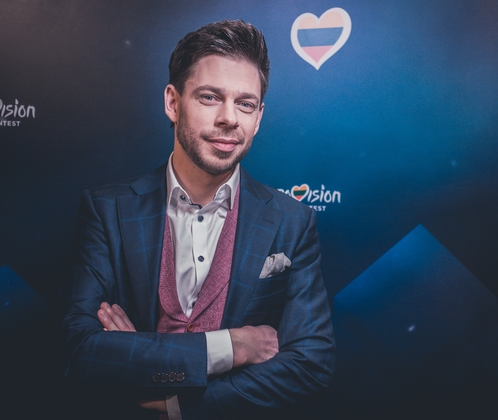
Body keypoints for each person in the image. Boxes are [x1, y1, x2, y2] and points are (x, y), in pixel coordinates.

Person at [62, 20, 335, 419]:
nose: (229, 118)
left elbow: (310, 365)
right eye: (210, 97)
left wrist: (173, 401)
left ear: (259, 117)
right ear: (173, 103)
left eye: (246, 104)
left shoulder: (292, 221)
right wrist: (231, 347)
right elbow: (80, 350)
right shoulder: (108, 210)